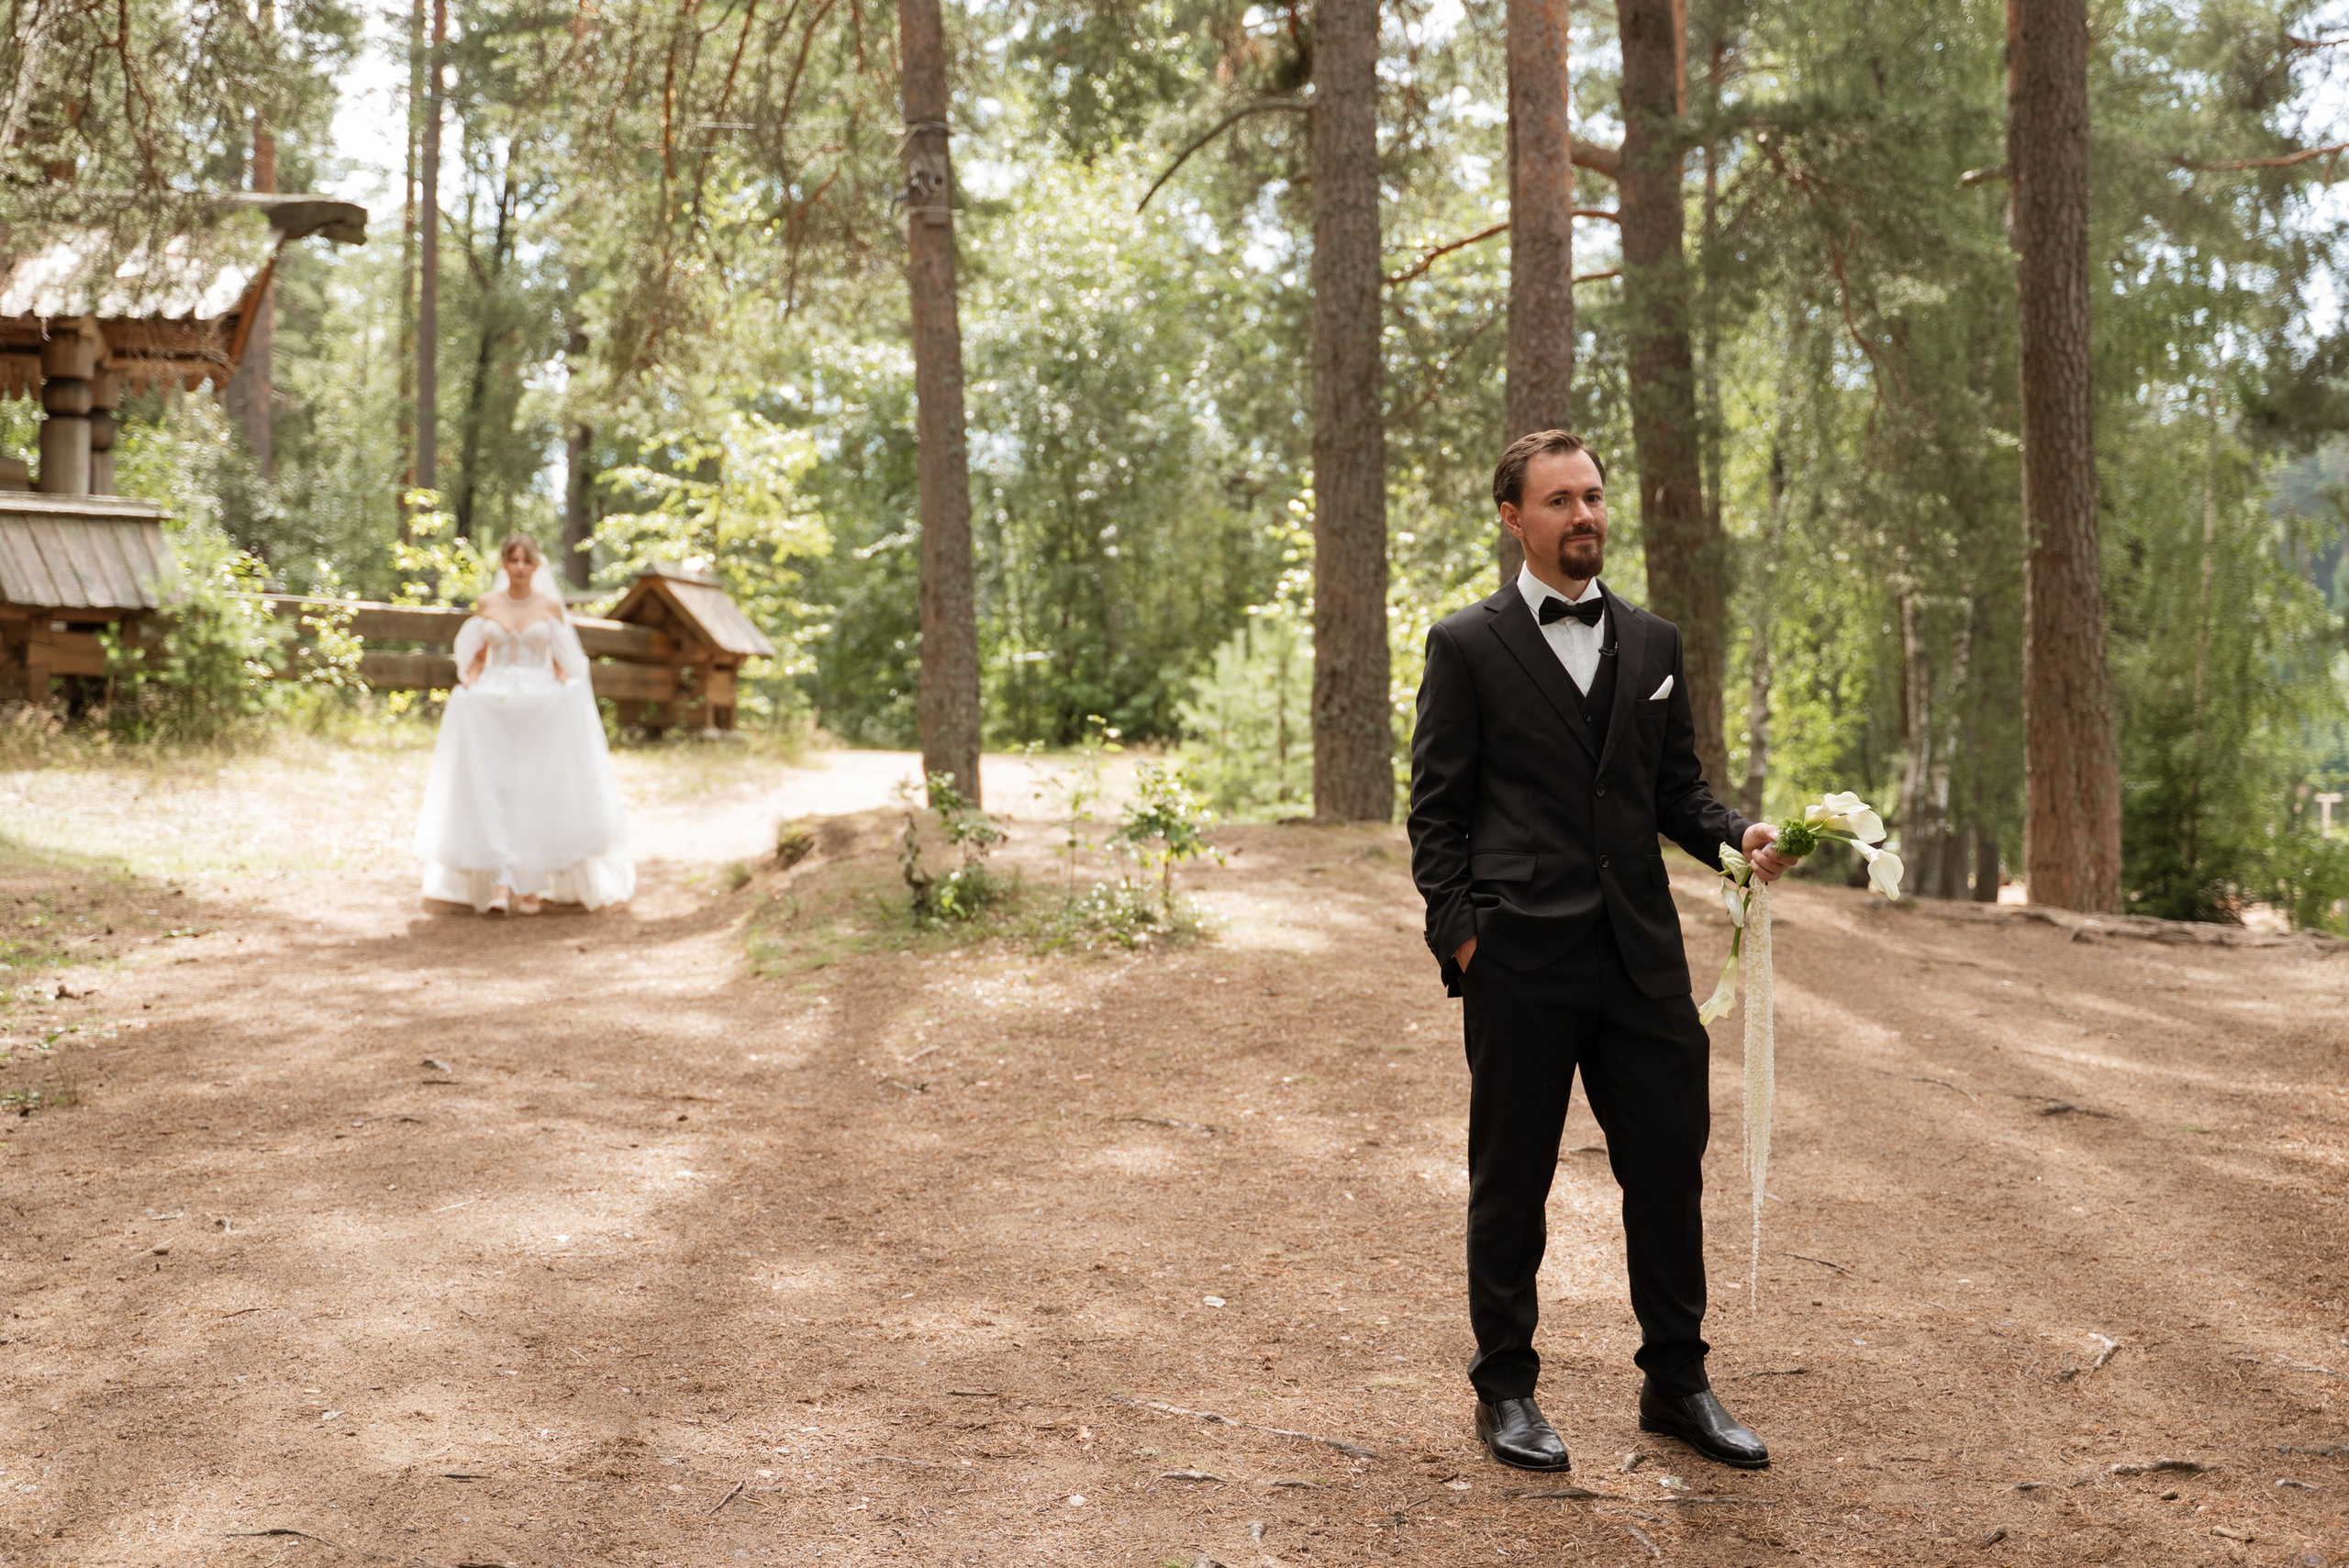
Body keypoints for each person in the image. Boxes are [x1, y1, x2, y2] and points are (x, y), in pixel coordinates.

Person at [1406, 430, 1802, 1474]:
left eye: (1592, 497)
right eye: (1559, 501)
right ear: (1512, 517)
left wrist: (1739, 838)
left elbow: (1677, 792)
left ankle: (1675, 1380)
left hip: (1640, 957)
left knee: (1668, 1168)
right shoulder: (1466, 645)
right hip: (1520, 960)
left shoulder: (1655, 642)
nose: (1583, 515)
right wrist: (1465, 939)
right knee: (1511, 1177)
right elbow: (1435, 815)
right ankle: (1505, 1388)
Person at [414, 534, 635, 916]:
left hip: (539, 706)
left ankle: (530, 883)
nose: (519, 567)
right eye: (512, 560)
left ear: (536, 566)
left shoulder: (550, 606)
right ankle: (501, 883)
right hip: (496, 705)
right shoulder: (488, 604)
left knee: (534, 788)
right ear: (503, 564)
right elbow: (476, 656)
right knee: (496, 787)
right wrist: (470, 684)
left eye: (526, 561)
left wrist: (568, 691)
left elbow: (565, 661)